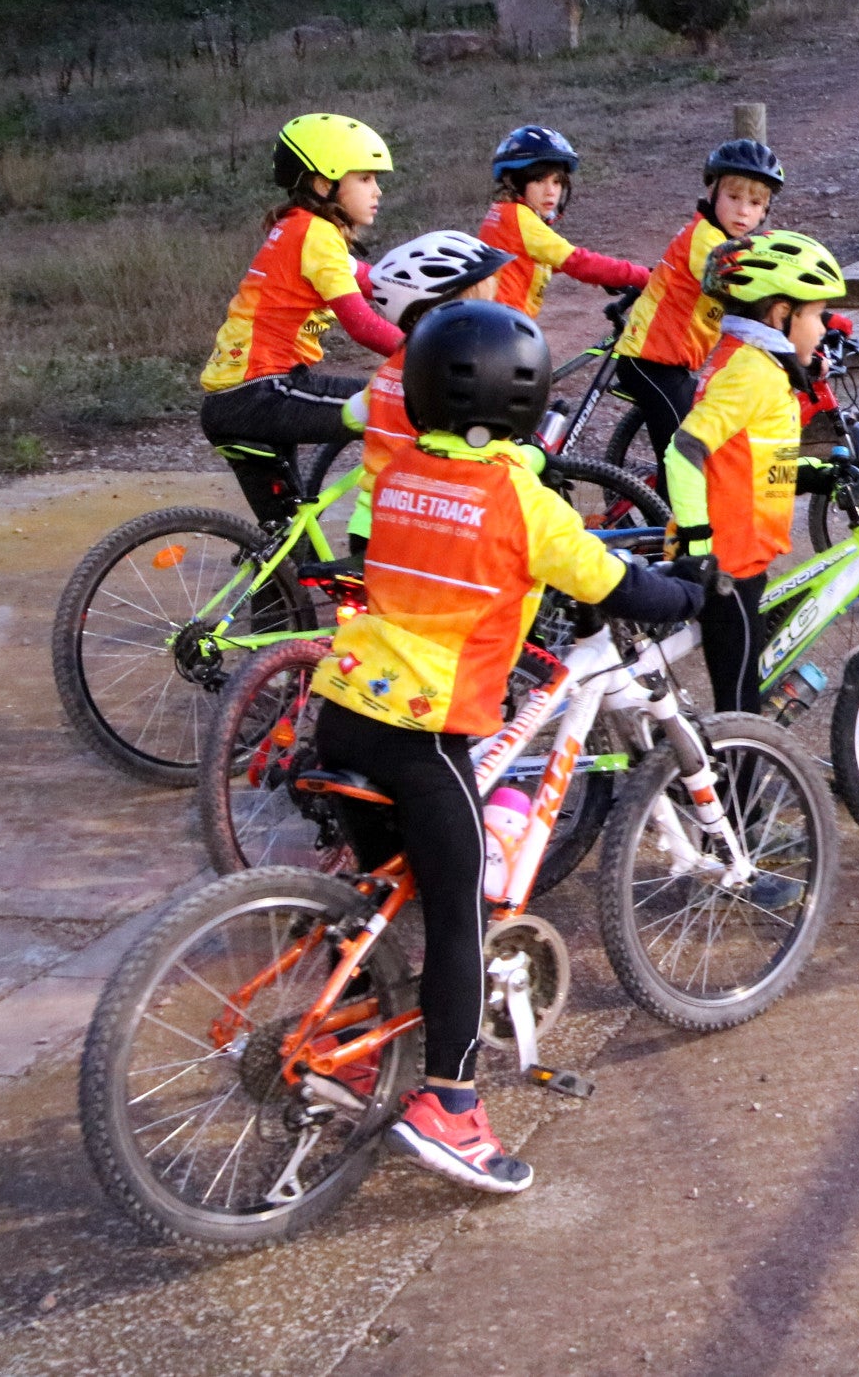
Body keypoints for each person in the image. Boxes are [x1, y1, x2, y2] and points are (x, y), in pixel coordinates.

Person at [310, 300, 706, 1195]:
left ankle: (348, 1049)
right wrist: (687, 595)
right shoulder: (522, 502)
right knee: (460, 918)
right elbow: (610, 580)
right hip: (427, 730)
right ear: (525, 401)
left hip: (342, 709)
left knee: (385, 894)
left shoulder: (400, 470)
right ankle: (450, 1106)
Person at [662, 231, 847, 720]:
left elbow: (753, 457)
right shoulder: (753, 371)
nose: (823, 329)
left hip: (743, 555)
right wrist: (701, 549)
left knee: (745, 683)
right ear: (780, 314)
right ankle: (736, 791)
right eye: (815, 315)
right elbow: (683, 452)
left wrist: (816, 474)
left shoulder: (760, 365)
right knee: (739, 700)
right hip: (728, 564)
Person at [199, 114, 407, 526]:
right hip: (262, 390)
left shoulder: (301, 229)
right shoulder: (317, 234)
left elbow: (377, 282)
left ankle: (277, 589)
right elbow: (362, 324)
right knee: (401, 404)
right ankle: (371, 539)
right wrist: (430, 351)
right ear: (323, 184)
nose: (377, 190)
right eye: (364, 178)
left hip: (235, 400)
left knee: (286, 545)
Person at [611, 138, 783, 475]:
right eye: (733, 197)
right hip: (650, 361)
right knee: (682, 459)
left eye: (755, 202)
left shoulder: (728, 242)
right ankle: (665, 527)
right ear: (712, 194)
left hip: (670, 364)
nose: (743, 210)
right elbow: (747, 289)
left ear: (765, 211)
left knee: (687, 445)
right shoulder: (705, 239)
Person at [340, 230, 517, 551]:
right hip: (424, 527)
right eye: (485, 301)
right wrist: (534, 458)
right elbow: (479, 453)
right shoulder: (456, 376)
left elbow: (352, 416)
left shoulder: (390, 367)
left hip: (368, 526)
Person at [476, 125, 650, 316]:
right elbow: (576, 261)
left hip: (491, 322)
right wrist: (645, 276)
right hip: (503, 328)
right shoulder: (518, 217)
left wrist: (605, 276)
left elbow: (538, 259)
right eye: (539, 180)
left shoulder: (502, 213)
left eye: (557, 182)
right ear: (516, 181)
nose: (551, 191)